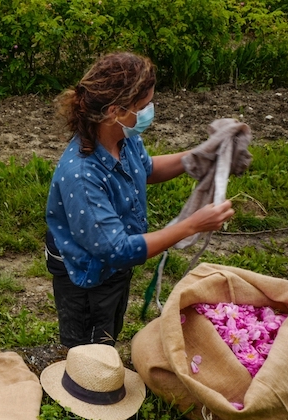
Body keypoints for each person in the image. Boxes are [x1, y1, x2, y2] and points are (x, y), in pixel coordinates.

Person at [45, 52, 234, 348]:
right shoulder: (82, 176)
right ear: (114, 111)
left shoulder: (124, 136)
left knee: (109, 321)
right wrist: (190, 225)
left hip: (112, 263)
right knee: (86, 342)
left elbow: (144, 169)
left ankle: (101, 355)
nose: (149, 112)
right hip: (84, 272)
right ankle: (81, 374)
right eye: (143, 107)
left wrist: (193, 159)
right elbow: (119, 250)